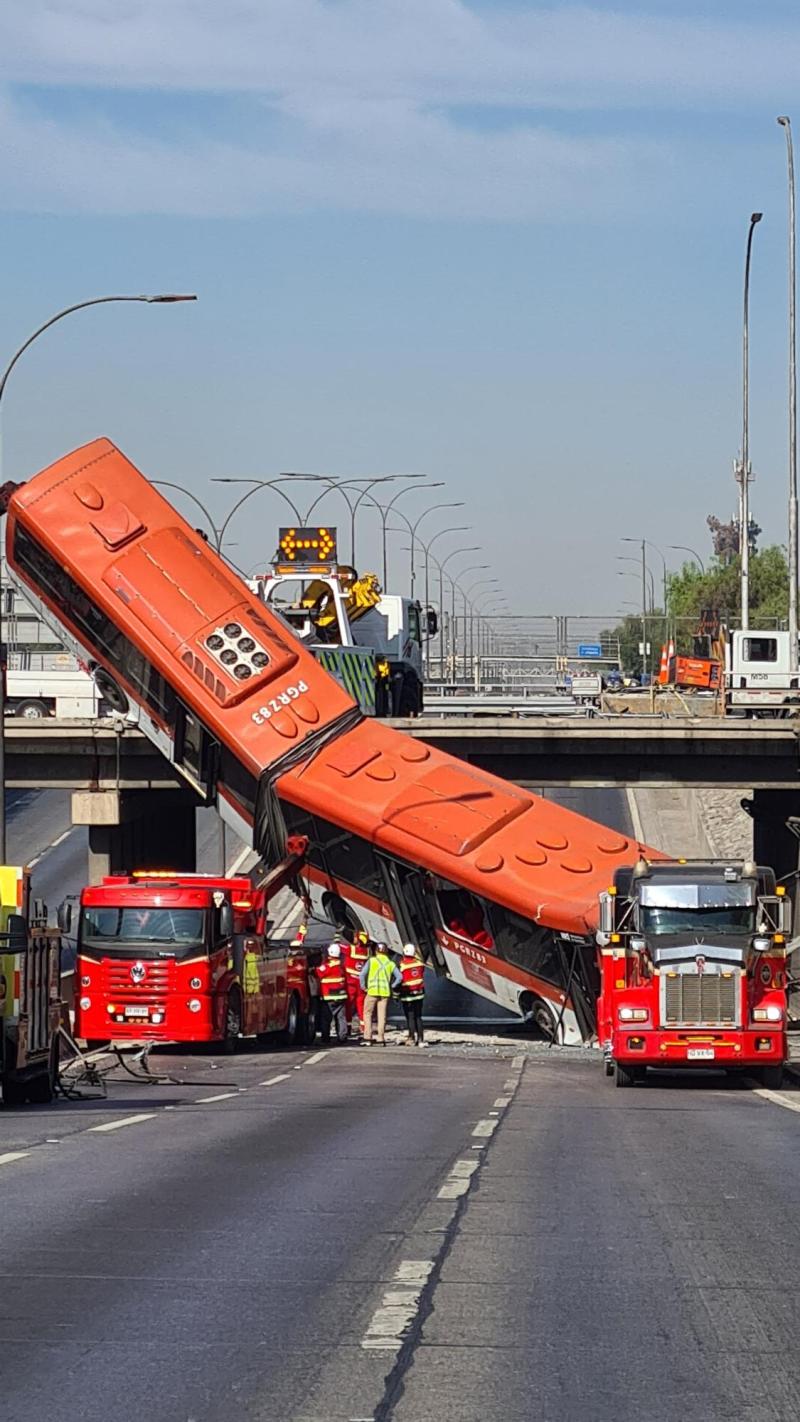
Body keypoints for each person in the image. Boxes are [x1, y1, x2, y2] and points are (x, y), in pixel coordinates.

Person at [359, 941, 401, 1046]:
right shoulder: (390, 963)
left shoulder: (372, 961)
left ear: (376, 950)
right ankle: (381, 1038)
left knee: (367, 1014)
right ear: (386, 951)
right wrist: (392, 986)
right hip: (384, 993)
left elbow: (362, 975)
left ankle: (367, 1037)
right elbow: (400, 977)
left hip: (372, 991)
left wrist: (364, 987)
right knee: (382, 1016)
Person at [315, 942, 349, 1045]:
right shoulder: (342, 966)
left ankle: (325, 1038)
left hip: (329, 997)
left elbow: (317, 972)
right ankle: (342, 1037)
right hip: (341, 997)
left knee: (326, 1018)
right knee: (341, 1018)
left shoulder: (327, 967)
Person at [398, 943, 426, 1047]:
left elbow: (399, 980)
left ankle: (411, 1037)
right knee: (418, 1016)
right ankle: (421, 1039)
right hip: (419, 994)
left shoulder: (402, 965)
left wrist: (396, 995)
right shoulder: (420, 964)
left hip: (407, 995)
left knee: (410, 1017)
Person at [344, 929, 370, 1036]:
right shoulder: (367, 951)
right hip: (361, 983)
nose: (353, 938)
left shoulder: (351, 949)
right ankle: (364, 1028)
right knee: (361, 1006)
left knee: (349, 1005)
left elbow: (339, 947)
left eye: (355, 937)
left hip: (350, 982)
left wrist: (337, 935)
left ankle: (347, 1027)